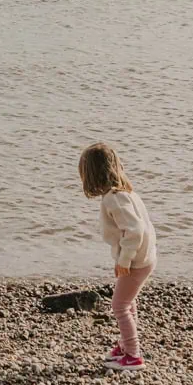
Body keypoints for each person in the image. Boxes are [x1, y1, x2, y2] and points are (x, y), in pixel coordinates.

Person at [80, 142, 156, 371]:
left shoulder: (114, 198)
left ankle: (133, 355)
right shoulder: (125, 193)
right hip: (143, 257)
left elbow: (135, 230)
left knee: (119, 305)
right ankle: (126, 346)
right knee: (127, 302)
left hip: (136, 261)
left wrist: (124, 261)